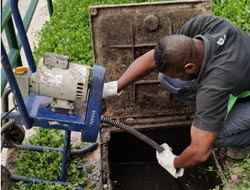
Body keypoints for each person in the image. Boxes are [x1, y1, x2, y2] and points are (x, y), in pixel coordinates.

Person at [103, 14, 250, 178]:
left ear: (189, 67)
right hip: (238, 79)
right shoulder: (205, 25)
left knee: (214, 138)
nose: (176, 77)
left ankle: (239, 137)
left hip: (242, 94)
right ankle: (209, 117)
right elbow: (153, 58)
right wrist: (116, 86)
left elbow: (200, 152)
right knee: (166, 77)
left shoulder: (215, 85)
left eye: (179, 74)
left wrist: (174, 163)